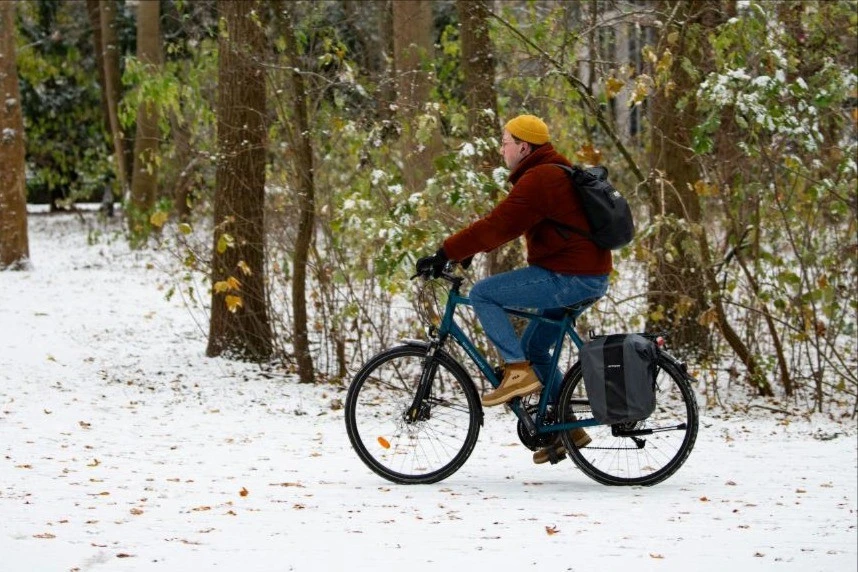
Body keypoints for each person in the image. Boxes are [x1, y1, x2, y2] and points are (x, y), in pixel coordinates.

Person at [416, 114, 612, 464]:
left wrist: (445, 252)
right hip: (584, 274)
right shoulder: (550, 172)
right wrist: (470, 250)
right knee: (535, 348)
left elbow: (498, 225)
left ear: (523, 146)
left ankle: (516, 372)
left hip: (572, 277)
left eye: (505, 142)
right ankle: (567, 428)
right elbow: (509, 224)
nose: (502, 149)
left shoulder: (541, 178)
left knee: (483, 294)